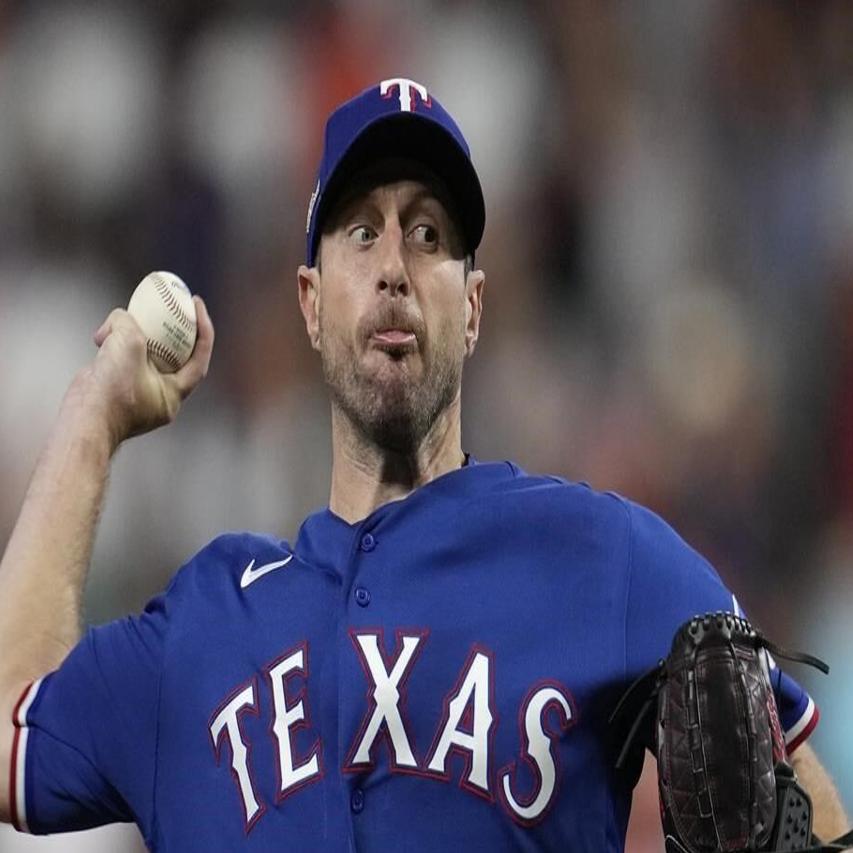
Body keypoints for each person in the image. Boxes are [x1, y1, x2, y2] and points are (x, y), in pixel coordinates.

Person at [0, 77, 847, 851]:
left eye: (428, 234)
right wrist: (92, 416)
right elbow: (13, 724)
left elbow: (816, 818)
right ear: (310, 302)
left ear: (472, 308)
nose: (395, 268)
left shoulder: (607, 559)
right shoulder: (200, 628)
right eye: (361, 231)